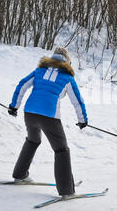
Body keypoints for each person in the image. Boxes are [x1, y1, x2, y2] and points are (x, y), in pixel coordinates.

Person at [8, 47, 88, 198]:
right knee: (61, 150)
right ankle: (67, 191)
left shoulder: (39, 71)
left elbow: (22, 85)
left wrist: (14, 106)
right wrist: (82, 120)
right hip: (49, 117)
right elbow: (77, 101)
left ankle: (20, 175)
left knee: (32, 140)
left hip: (30, 113)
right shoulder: (67, 78)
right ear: (67, 61)